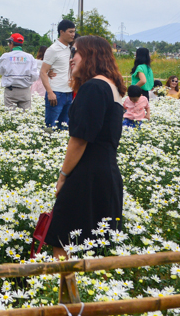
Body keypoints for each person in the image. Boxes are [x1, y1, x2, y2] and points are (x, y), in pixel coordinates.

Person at [44, 35, 126, 258]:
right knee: (95, 245)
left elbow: (79, 140)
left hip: (86, 174)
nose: (71, 59)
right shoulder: (112, 86)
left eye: (75, 53)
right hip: (106, 174)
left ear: (91, 55)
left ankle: (58, 288)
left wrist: (63, 176)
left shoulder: (93, 87)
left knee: (63, 237)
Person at [40, 20, 76, 128]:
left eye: (74, 32)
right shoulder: (53, 49)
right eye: (70, 32)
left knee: (65, 127)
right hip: (56, 93)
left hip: (68, 92)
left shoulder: (71, 48)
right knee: (51, 127)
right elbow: (43, 71)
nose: (73, 34)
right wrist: (50, 92)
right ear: (61, 32)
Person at [0, 33, 42, 110]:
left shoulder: (6, 56)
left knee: (10, 116)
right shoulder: (30, 57)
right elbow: (35, 76)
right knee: (25, 116)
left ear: (11, 43)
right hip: (25, 91)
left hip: (11, 91)